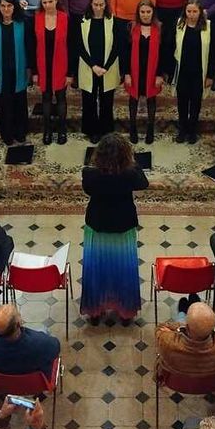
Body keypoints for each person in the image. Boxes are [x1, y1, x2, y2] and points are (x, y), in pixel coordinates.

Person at [81, 133, 148, 324]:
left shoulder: (89, 174)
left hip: (97, 225)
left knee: (97, 270)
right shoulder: (131, 174)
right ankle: (125, 313)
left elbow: (88, 190)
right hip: (123, 226)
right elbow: (144, 183)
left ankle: (95, 313)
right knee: (123, 270)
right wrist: (132, 163)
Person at [0, 0, 32, 146]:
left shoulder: (23, 23)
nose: (6, 9)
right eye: (3, 6)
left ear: (15, 7)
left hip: (19, 69)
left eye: (9, 6)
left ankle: (20, 133)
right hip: (1, 71)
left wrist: (29, 68)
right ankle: (7, 134)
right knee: (4, 104)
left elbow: (29, 47)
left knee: (20, 101)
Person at [76, 0, 120, 144]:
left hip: (108, 67)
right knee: (89, 100)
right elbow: (79, 46)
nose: (99, 8)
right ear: (91, 4)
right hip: (89, 67)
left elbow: (116, 46)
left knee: (107, 101)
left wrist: (106, 67)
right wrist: (93, 66)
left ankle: (106, 130)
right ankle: (92, 130)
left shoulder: (113, 21)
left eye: (101, 5)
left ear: (106, 4)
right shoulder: (82, 21)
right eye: (96, 4)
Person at [170, 0, 213, 143]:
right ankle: (182, 130)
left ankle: (192, 130)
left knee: (195, 102)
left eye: (195, 11)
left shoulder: (208, 26)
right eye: (189, 11)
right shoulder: (179, 24)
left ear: (200, 11)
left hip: (199, 72)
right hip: (183, 71)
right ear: (185, 11)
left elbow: (214, 51)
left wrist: (210, 75)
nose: (192, 14)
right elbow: (172, 47)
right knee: (182, 101)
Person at [30, 0, 71, 145]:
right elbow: (32, 46)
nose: (47, 5)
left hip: (61, 65)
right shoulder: (37, 18)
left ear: (56, 0)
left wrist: (70, 73)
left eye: (50, 1)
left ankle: (62, 129)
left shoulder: (64, 18)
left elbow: (71, 45)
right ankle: (47, 130)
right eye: (44, 2)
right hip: (43, 65)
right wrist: (34, 71)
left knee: (61, 97)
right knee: (46, 98)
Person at [156, 302, 215, 382]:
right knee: (193, 302)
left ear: (186, 327)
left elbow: (159, 329)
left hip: (174, 381)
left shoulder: (168, 343)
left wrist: (179, 327)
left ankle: (182, 311)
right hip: (207, 383)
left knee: (181, 316)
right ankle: (194, 301)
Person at [122, 0, 163, 144]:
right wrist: (126, 73)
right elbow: (125, 52)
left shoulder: (160, 28)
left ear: (153, 12)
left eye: (148, 12)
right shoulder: (131, 27)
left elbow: (164, 53)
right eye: (142, 12)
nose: (145, 15)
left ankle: (150, 129)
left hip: (152, 71)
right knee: (133, 99)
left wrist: (159, 74)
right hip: (135, 71)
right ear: (138, 13)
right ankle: (132, 129)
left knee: (151, 99)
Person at [0, 304, 61, 379]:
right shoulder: (42, 344)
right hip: (35, 384)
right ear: (18, 324)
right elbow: (56, 346)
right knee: (44, 329)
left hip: (3, 384)